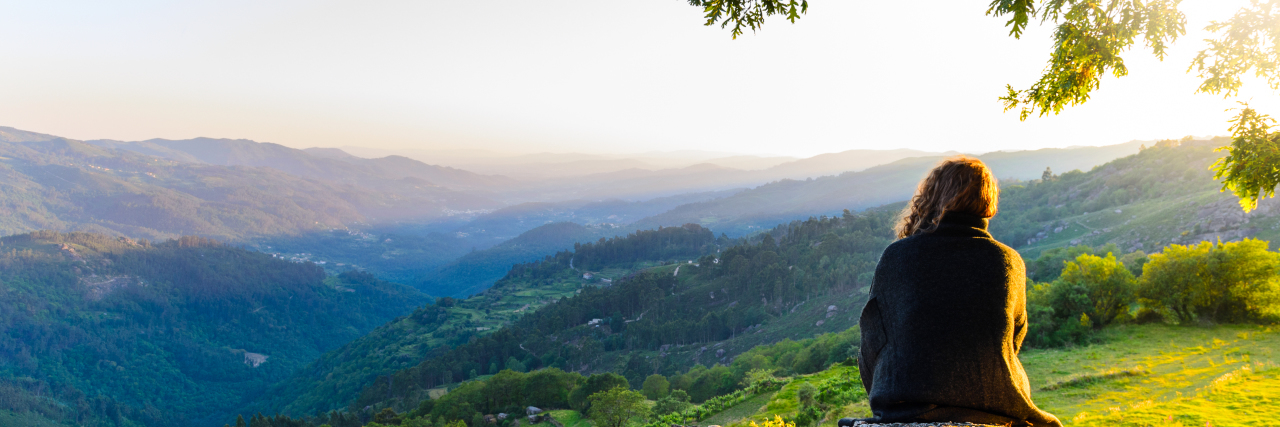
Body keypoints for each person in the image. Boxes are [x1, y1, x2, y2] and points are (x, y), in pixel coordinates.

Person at [854, 156, 1061, 426]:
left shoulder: (897, 257)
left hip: (907, 407)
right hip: (997, 406)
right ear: (988, 203)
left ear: (931, 196)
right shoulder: (1009, 261)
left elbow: (872, 343)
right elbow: (1012, 342)